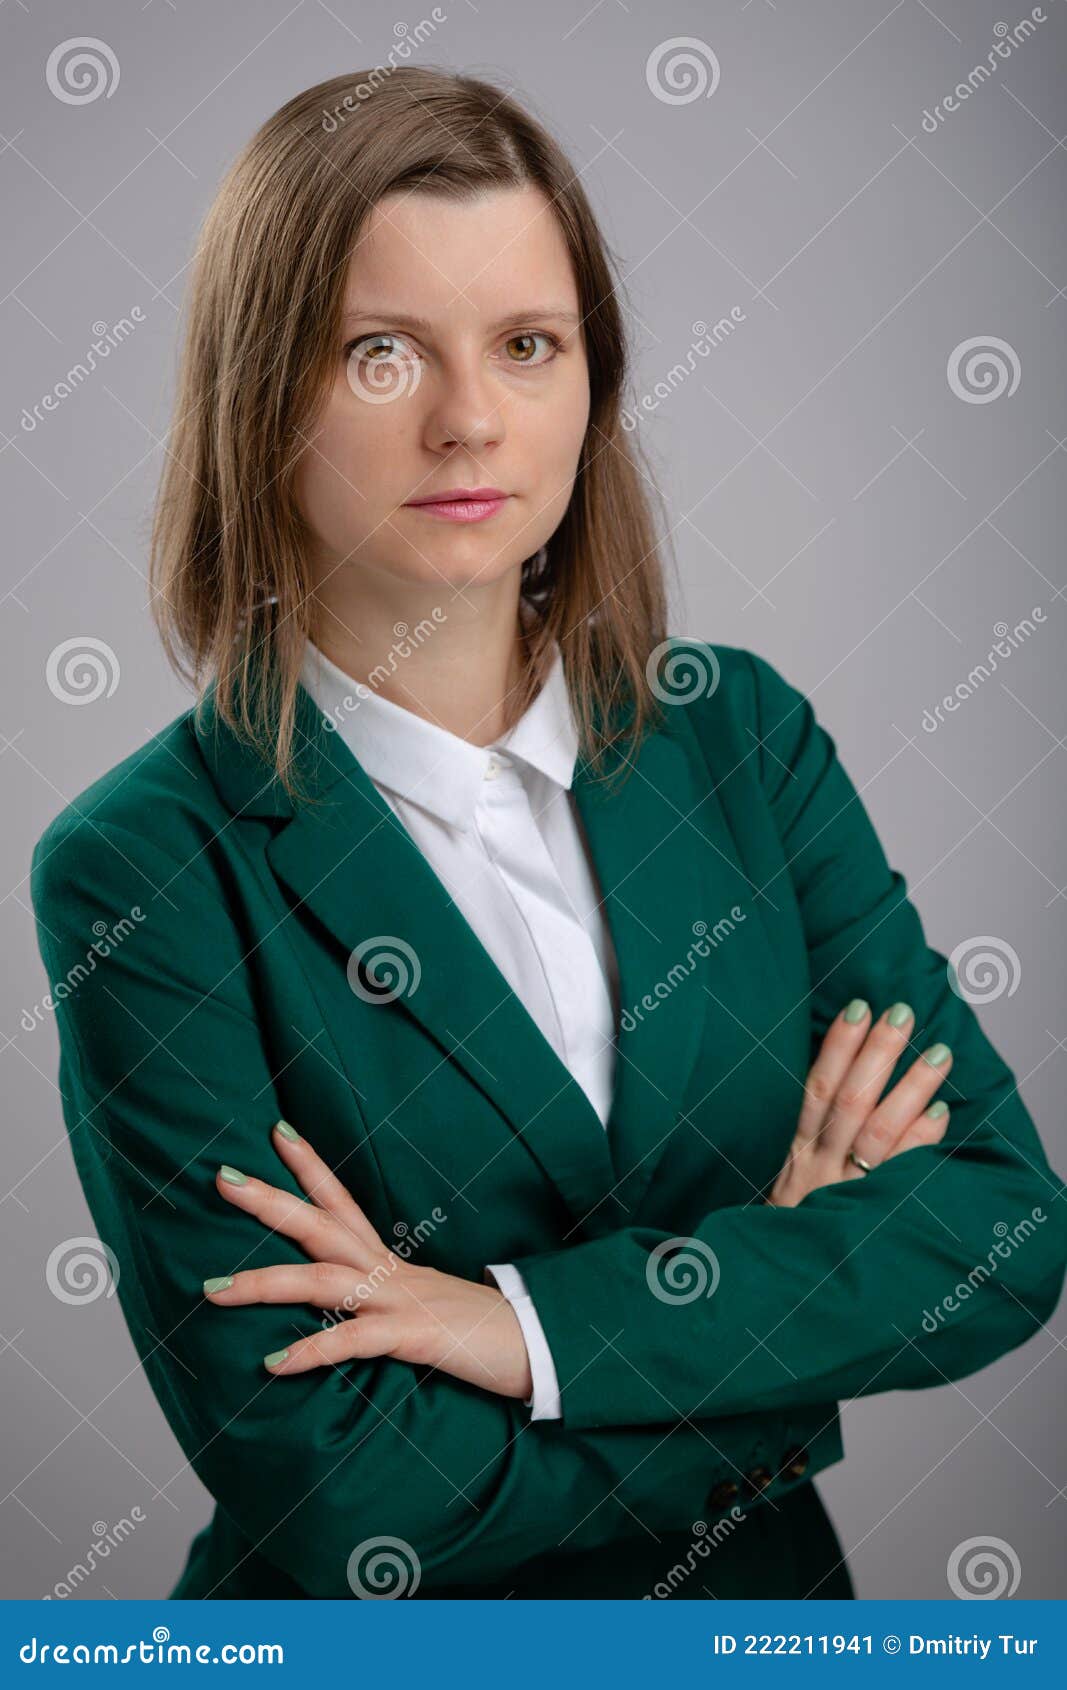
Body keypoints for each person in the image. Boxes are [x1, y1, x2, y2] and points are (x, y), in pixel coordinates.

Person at [30, 67, 1067, 1601]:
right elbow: (333, 1482)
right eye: (380, 353)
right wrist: (770, 1353)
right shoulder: (145, 865)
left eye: (528, 345)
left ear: (595, 382)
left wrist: (510, 1326)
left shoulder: (741, 739)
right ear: (262, 392)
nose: (469, 420)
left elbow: (999, 1223)